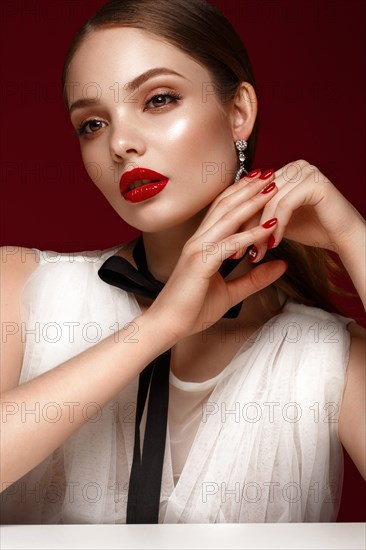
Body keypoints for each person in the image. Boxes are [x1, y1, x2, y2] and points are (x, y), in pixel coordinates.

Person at [1, 0, 365, 524]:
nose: (121, 144)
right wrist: (160, 325)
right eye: (92, 124)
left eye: (159, 99)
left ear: (238, 111)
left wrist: (352, 235)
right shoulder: (23, 287)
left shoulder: (328, 357)